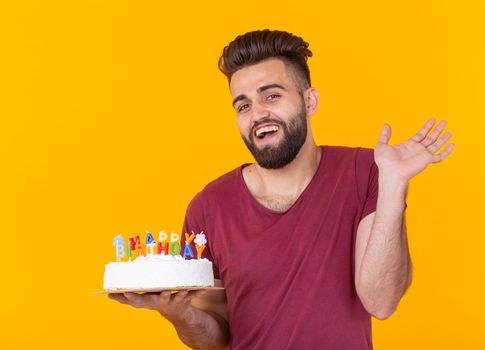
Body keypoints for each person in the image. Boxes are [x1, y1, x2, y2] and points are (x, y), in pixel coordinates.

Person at [109, 29, 454, 349]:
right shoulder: (208, 206)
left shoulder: (366, 172)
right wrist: (179, 314)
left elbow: (381, 301)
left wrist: (393, 185)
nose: (257, 114)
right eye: (243, 105)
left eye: (271, 95)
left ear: (310, 101)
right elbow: (215, 338)